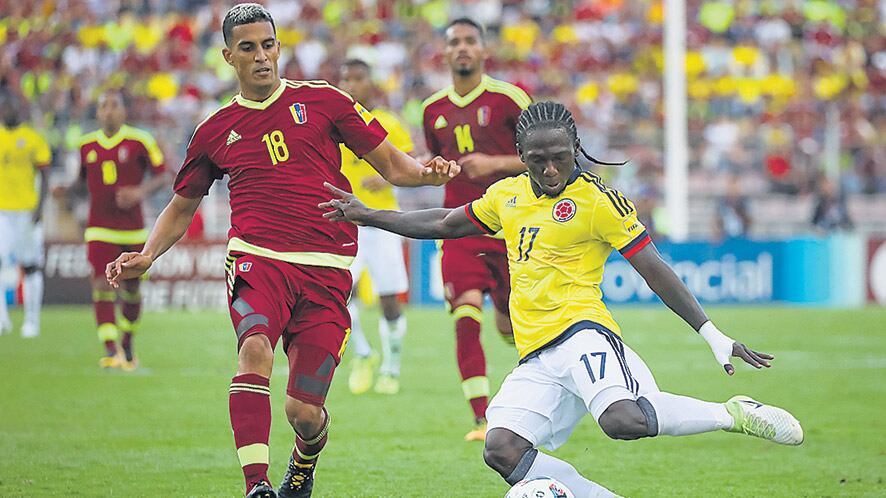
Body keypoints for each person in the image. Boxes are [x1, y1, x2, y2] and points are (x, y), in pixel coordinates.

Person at [322, 101, 804, 497]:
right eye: (538, 159)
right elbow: (445, 224)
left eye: (560, 157)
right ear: (521, 155)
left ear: (575, 149)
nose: (551, 169)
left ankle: (732, 413)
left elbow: (654, 268)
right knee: (502, 449)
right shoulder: (506, 195)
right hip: (536, 353)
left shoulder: (598, 201)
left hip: (581, 332)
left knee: (622, 420)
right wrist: (370, 215)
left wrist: (711, 333)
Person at [105, 4, 459, 498]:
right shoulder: (214, 130)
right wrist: (147, 254)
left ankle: (302, 462)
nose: (261, 57)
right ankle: (257, 485)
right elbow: (182, 208)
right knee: (253, 350)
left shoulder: (325, 102)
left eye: (268, 45)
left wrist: (428, 172)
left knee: (304, 413)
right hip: (256, 259)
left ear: (279, 47)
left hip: (327, 268)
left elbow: (395, 168)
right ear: (229, 56)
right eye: (248, 48)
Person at [421, 17, 531, 441]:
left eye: (470, 41)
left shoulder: (510, 100)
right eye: (455, 42)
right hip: (459, 228)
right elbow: (438, 161)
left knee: (508, 327)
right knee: (465, 315)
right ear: (445, 53)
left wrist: (495, 164)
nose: (463, 48)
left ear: (484, 51)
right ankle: (482, 419)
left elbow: (546, 157)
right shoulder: (432, 110)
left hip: (509, 229)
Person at [54, 89, 170, 371]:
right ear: (97, 113)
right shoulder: (85, 145)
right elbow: (82, 183)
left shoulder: (140, 141)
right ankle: (110, 350)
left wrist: (139, 192)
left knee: (131, 290)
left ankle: (127, 341)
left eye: (114, 105)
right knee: (100, 283)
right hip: (99, 228)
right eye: (103, 106)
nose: (108, 111)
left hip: (132, 231)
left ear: (123, 111)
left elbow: (165, 174)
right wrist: (66, 190)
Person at [338, 58, 413, 395]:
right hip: (345, 224)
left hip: (383, 221)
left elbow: (412, 166)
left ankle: (391, 369)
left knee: (388, 300)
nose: (352, 85)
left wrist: (385, 177)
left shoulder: (388, 123)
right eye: (346, 79)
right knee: (337, 294)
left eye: (358, 79)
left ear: (370, 83)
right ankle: (364, 353)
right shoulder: (332, 124)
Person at [0, 95, 51, 338]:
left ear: (18, 110)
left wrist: (40, 208)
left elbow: (45, 175)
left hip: (27, 211)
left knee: (30, 265)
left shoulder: (32, 139)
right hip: (2, 211)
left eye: (10, 106)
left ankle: (32, 321)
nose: (7, 110)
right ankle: (2, 318)